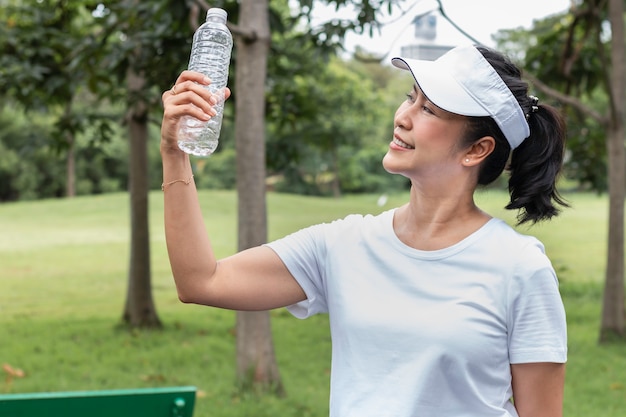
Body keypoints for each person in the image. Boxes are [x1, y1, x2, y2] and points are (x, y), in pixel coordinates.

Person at [160, 44, 568, 417]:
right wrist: (175, 152)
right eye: (411, 97)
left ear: (477, 149)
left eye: (430, 110)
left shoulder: (520, 268)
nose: (403, 116)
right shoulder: (343, 245)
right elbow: (201, 281)